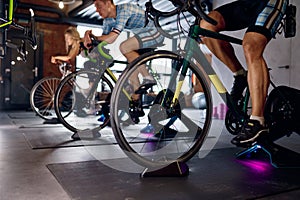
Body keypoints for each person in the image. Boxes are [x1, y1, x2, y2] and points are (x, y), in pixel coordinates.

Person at [200, 0, 288, 146]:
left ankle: (258, 121)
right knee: (206, 27)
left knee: (251, 45)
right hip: (246, 3)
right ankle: (240, 75)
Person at [83, 0, 164, 94]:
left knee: (124, 47)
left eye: (99, 6)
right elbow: (104, 42)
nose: (97, 10)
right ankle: (137, 103)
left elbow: (113, 37)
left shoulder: (124, 10)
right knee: (131, 74)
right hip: (142, 39)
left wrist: (94, 37)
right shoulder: (107, 21)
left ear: (108, 3)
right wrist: (90, 43)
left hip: (155, 33)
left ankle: (148, 77)